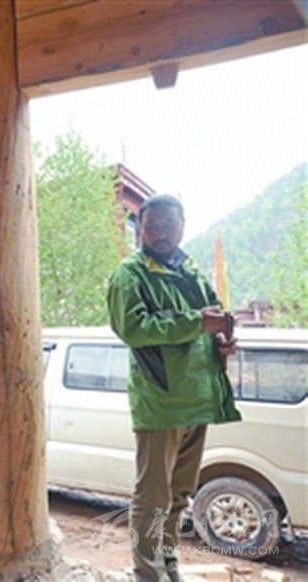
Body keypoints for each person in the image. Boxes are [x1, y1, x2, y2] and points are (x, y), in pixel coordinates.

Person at [106, 194, 241, 581]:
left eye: (169, 224)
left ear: (182, 226)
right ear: (140, 230)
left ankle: (168, 564)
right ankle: (149, 573)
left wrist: (221, 342)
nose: (160, 233)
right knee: (152, 498)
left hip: (198, 398)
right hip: (161, 401)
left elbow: (212, 319)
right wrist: (195, 323)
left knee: (180, 493)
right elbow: (133, 328)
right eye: (151, 225)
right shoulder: (130, 274)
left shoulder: (190, 270)